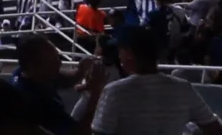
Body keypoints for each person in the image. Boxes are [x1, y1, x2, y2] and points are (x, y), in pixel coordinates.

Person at [85, 31, 214, 135]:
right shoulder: (183, 87)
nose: (119, 56)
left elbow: (99, 132)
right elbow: (214, 128)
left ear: (129, 54)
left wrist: (95, 91)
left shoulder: (114, 91)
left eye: (121, 50)